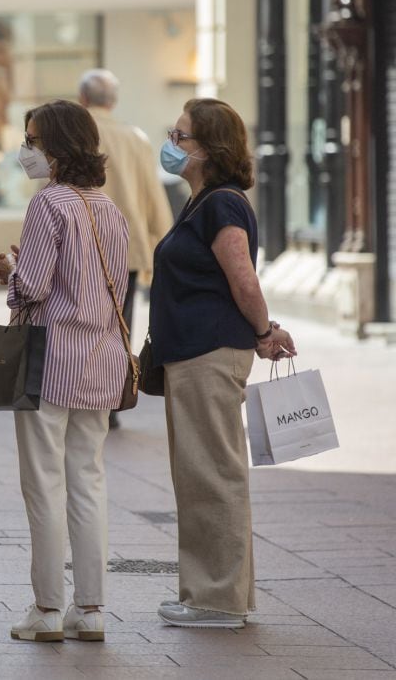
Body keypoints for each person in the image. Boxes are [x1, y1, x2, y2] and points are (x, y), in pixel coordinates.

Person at [150, 98, 296, 629]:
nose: (171, 142)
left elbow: (244, 279)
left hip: (208, 353)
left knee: (212, 474)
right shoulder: (201, 202)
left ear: (210, 148)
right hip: (194, 354)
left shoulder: (222, 206)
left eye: (181, 134)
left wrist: (264, 332)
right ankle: (214, 593)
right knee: (200, 474)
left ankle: (217, 601)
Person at [0, 100, 129, 644]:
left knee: (44, 485)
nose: (26, 151)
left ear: (57, 147)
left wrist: (11, 273)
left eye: (33, 140)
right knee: (88, 482)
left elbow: (35, 288)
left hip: (47, 358)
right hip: (99, 359)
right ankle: (90, 609)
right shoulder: (107, 208)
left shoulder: (49, 204)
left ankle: (47, 609)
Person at [79, 69, 173, 429]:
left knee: (84, 324)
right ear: (112, 101)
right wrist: (160, 243)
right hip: (128, 248)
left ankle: (88, 396)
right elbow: (153, 196)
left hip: (85, 246)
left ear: (83, 100)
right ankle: (115, 398)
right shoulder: (135, 138)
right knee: (121, 327)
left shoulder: (79, 136)